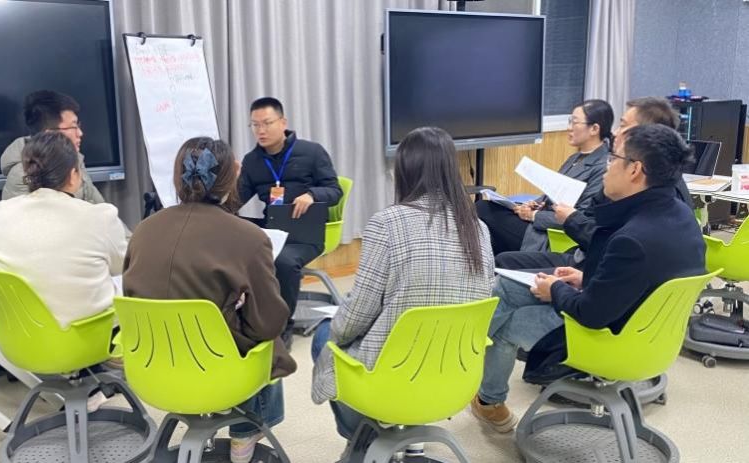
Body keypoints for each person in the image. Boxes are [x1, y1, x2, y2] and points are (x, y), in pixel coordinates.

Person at [471, 124, 705, 433]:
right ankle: (468, 361)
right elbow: (641, 279)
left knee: (508, 323)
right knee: (508, 286)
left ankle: (484, 395)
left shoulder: (633, 238)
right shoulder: (680, 215)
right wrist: (586, 278)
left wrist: (556, 288)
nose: (607, 167)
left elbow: (590, 314)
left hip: (609, 340)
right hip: (648, 331)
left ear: (635, 170)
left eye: (613, 158)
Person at [311, 127, 495, 454]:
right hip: (456, 374)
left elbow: (359, 311)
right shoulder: (477, 228)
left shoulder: (388, 223)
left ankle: (366, 439)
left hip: (393, 373)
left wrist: (337, 329)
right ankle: (412, 436)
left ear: (405, 170)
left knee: (325, 335)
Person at [123, 137, 296, 463]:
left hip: (150, 368)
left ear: (178, 178)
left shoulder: (143, 231)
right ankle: (245, 433)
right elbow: (270, 321)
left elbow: (131, 295)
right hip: (218, 371)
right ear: (231, 179)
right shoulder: (250, 237)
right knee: (265, 336)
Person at [495, 96, 693, 271]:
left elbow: (611, 246)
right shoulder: (659, 186)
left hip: (596, 266)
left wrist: (570, 219)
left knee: (504, 260)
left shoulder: (649, 193)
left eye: (623, 125)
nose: (615, 132)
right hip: (587, 257)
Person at [0, 131, 127, 329]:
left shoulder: (0, 213)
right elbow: (124, 266)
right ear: (72, 175)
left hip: (21, 335)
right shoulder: (100, 217)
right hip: (92, 335)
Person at [238, 97, 342, 348]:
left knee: (283, 261)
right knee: (232, 242)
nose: (260, 131)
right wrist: (228, 181)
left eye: (267, 123)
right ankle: (247, 320)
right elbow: (236, 200)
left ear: (283, 122)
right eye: (255, 125)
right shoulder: (252, 161)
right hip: (271, 229)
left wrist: (312, 195)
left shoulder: (312, 152)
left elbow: (334, 191)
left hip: (303, 234)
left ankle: (283, 326)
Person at [475, 99, 613, 255]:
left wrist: (534, 215)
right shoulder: (574, 158)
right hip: (540, 221)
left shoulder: (602, 167)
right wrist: (536, 204)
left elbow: (580, 218)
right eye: (570, 121)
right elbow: (554, 192)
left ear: (594, 129)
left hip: (550, 234)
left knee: (483, 210)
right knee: (488, 209)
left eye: (575, 123)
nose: (569, 128)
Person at [0, 90, 104, 203]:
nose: (80, 133)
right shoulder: (24, 174)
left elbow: (98, 203)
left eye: (78, 125)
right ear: (50, 135)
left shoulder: (74, 158)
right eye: (73, 127)